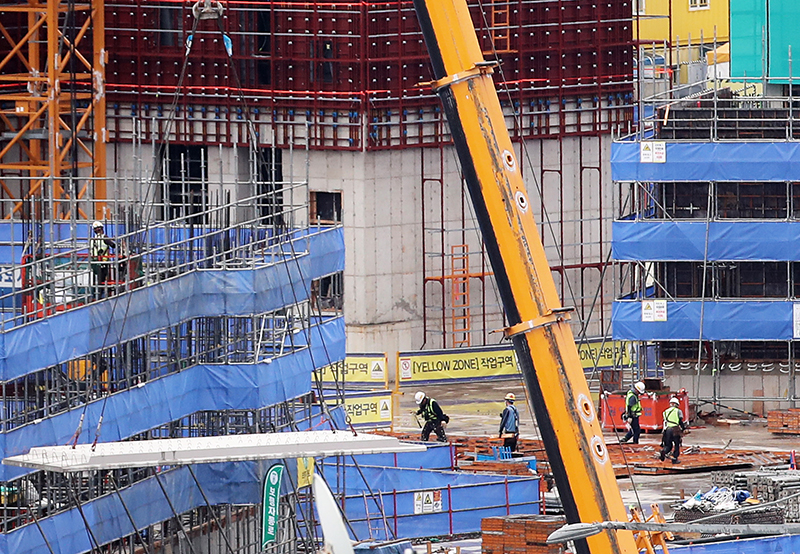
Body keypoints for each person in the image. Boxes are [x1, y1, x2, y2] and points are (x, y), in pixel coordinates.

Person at [90, 220, 115, 298]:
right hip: (103, 262)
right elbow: (113, 245)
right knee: (103, 280)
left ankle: (95, 295)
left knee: (95, 280)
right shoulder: (104, 238)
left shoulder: (93, 239)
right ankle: (102, 295)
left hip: (95, 262)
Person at [660, 396, 688, 464]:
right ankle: (675, 459)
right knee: (676, 444)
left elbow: (664, 421)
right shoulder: (678, 411)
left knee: (668, 445)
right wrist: (684, 428)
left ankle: (664, 451)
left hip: (667, 430)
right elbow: (680, 421)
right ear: (677, 404)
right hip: (675, 430)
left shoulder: (665, 411)